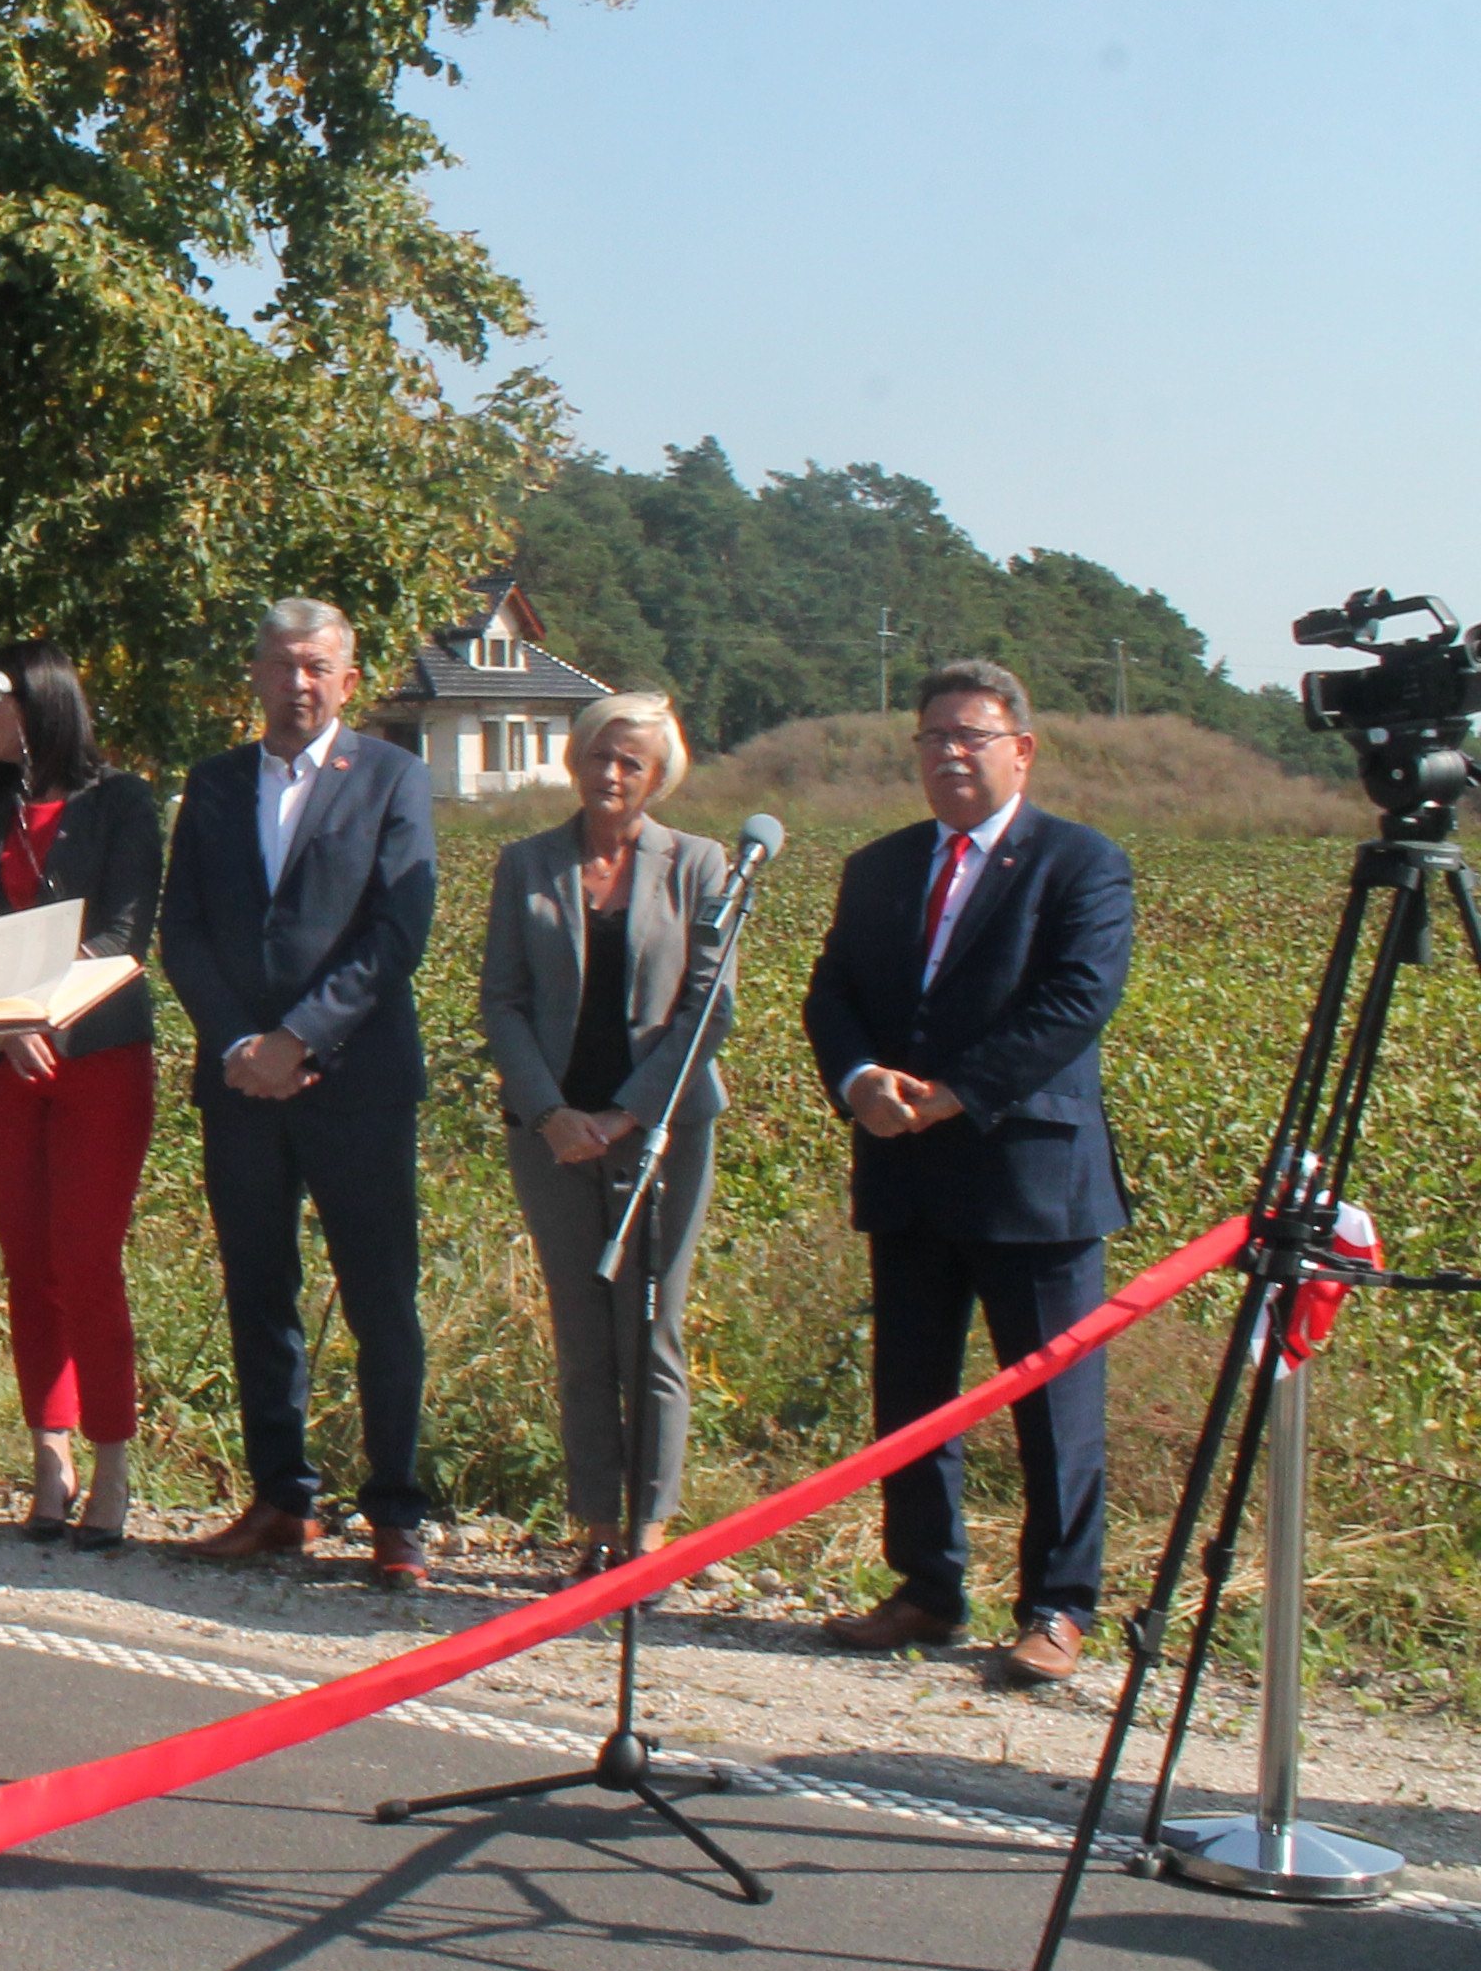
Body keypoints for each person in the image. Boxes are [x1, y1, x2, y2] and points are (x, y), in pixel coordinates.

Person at [803, 659, 1135, 1686]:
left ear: (1020, 749)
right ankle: (927, 1586)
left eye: (973, 735)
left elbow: (1076, 1000)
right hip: (904, 1169)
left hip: (1028, 1175)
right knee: (912, 1394)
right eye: (933, 736)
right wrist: (858, 1078)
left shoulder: (1079, 863)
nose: (950, 752)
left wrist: (954, 1092)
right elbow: (834, 990)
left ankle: (1058, 1606)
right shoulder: (881, 865)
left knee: (1054, 1405)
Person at [156, 598, 442, 1586]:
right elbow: (181, 929)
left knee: (379, 1300)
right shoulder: (215, 783)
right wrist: (240, 1041)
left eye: (317, 666)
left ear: (349, 679)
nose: (298, 683)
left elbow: (395, 935)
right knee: (259, 1292)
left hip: (355, 1083)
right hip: (239, 1084)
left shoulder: (394, 778)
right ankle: (283, 1497)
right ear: (255, 674)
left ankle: (395, 1510)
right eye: (281, 665)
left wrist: (298, 1037)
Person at [477, 691, 733, 1581]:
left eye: (631, 761)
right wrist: (551, 1114)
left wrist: (626, 1113)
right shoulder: (527, 863)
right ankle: (594, 1522)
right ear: (575, 761)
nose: (612, 774)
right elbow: (501, 999)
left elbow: (708, 1005)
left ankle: (650, 1527)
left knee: (649, 1325)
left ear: (659, 774)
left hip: (661, 1131)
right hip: (551, 1133)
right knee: (581, 1328)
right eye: (598, 756)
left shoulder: (700, 865)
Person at [0, 643, 161, 1549]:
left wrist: (43, 1013)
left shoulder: (122, 800)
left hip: (97, 1056)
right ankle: (49, 1460)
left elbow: (123, 930)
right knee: (29, 1265)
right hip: (0, 1064)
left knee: (87, 1260)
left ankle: (113, 1461)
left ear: (33, 708)